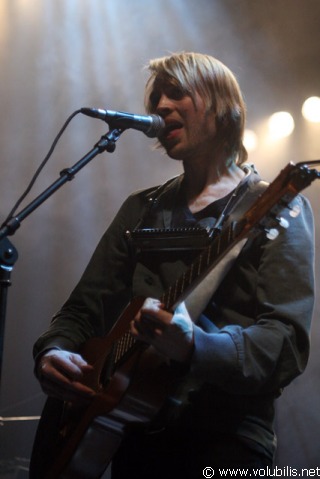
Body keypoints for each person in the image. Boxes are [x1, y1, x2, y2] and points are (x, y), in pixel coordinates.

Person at [30, 52, 315, 478]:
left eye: (177, 92)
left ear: (223, 107)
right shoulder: (140, 209)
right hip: (131, 441)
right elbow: (81, 310)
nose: (160, 106)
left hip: (225, 445)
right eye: (156, 97)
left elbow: (286, 343)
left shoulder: (276, 206)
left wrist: (196, 346)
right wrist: (53, 350)